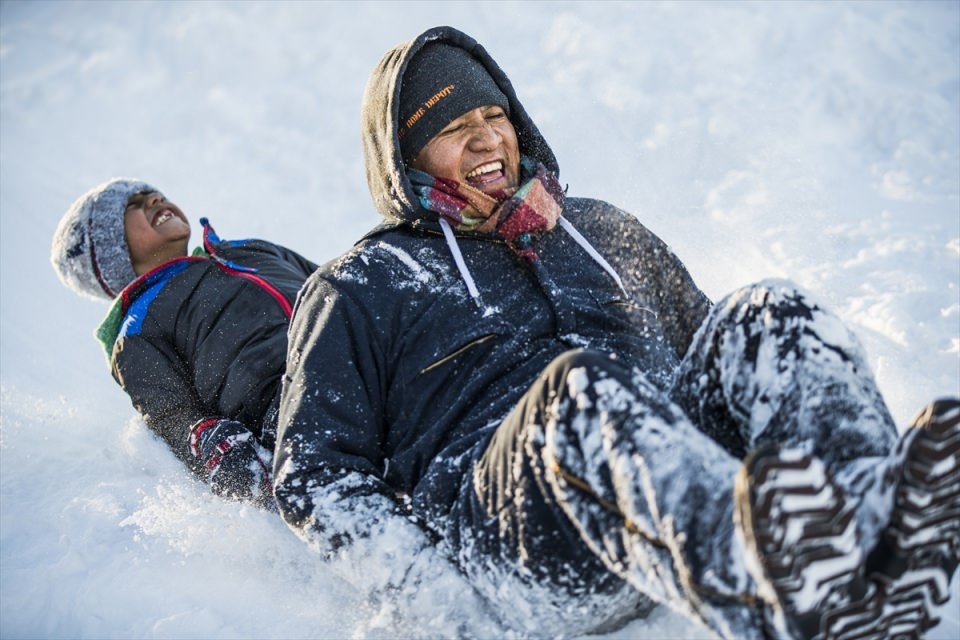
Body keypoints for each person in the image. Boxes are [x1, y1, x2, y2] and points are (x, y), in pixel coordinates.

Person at [273, 26, 960, 638]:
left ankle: (872, 529)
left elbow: (715, 352)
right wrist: (456, 617)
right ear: (407, 155)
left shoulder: (598, 228)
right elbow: (316, 478)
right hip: (517, 544)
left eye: (494, 115)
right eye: (453, 127)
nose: (487, 138)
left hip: (662, 488)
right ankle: (772, 586)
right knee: (578, 390)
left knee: (768, 312)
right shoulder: (361, 286)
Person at [51, 178, 318, 509]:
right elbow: (170, 412)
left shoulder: (249, 249)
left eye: (153, 194)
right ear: (112, 249)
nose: (154, 199)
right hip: (289, 401)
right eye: (133, 205)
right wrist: (213, 444)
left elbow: (333, 281)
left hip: (359, 350)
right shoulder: (138, 327)